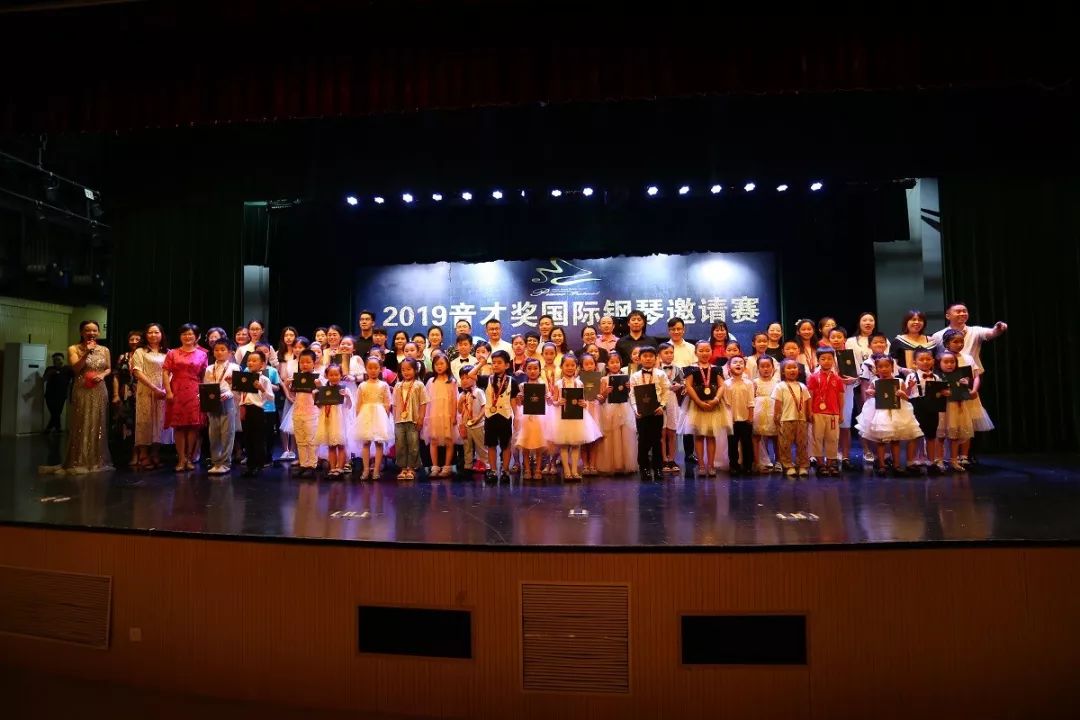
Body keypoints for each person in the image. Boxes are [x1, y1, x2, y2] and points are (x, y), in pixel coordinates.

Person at [856, 354, 924, 476]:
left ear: (892, 367)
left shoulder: (899, 381)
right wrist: (870, 392)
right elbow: (869, 396)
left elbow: (906, 398)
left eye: (887, 366)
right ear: (876, 369)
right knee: (881, 441)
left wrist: (903, 392)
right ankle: (882, 464)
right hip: (881, 413)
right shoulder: (875, 382)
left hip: (896, 413)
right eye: (880, 367)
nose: (884, 369)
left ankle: (896, 464)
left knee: (895, 440)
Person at [59, 320, 113, 473]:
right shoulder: (74, 348)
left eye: (94, 330)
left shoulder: (104, 349)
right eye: (88, 330)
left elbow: (108, 368)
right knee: (81, 422)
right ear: (82, 332)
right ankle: (79, 459)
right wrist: (86, 353)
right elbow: (76, 369)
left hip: (99, 389)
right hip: (82, 389)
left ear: (99, 332)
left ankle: (97, 459)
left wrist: (102, 375)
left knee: (98, 423)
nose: (91, 333)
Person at [549, 353, 602, 481]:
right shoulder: (558, 384)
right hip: (562, 416)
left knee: (576, 444)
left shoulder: (579, 383)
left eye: (572, 365)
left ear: (576, 367)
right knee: (563, 444)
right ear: (561, 367)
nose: (570, 368)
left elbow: (582, 400)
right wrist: (558, 402)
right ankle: (567, 470)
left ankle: (574, 470)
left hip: (577, 416)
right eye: (567, 365)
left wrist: (583, 403)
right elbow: (553, 401)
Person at [164, 323, 208, 472]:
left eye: (190, 334)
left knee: (193, 426)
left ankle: (189, 457)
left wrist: (203, 394)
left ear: (196, 336)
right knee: (179, 426)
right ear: (180, 336)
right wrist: (168, 391)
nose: (187, 336)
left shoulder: (202, 354)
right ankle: (181, 458)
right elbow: (165, 372)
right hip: (177, 390)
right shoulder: (172, 353)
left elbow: (204, 376)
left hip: (195, 391)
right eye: (184, 334)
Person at [680, 340, 727, 477]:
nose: (704, 353)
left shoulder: (717, 369)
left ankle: (711, 465)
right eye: (701, 350)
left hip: (713, 405)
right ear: (695, 352)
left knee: (711, 436)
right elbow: (688, 386)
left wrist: (716, 399)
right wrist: (698, 401)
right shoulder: (690, 369)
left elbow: (722, 385)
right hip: (696, 405)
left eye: (707, 350)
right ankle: (701, 465)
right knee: (699, 436)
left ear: (711, 351)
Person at [131, 323, 172, 470]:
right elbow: (137, 371)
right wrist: (154, 388)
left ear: (161, 334)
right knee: (145, 421)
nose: (153, 335)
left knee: (160, 421)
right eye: (150, 332)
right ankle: (143, 454)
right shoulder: (140, 351)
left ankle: (155, 453)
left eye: (156, 332)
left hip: (163, 390)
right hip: (146, 389)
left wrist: (165, 388)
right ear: (145, 335)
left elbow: (172, 372)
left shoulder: (168, 352)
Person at [628, 346, 670, 481]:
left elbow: (666, 391)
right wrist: (635, 409)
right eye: (645, 356)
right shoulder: (634, 376)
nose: (648, 359)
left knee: (657, 440)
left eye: (651, 356)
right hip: (641, 413)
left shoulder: (661, 374)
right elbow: (632, 394)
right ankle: (644, 468)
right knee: (643, 440)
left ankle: (658, 469)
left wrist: (662, 406)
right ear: (639, 359)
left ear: (656, 358)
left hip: (657, 411)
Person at [478, 350, 520, 483]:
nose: (495, 365)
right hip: (490, 417)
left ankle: (505, 470)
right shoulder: (487, 379)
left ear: (507, 365)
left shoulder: (512, 381)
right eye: (493, 362)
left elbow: (513, 400)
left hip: (505, 416)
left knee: (506, 445)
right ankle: (493, 470)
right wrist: (482, 363)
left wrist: (517, 416)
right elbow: (471, 375)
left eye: (499, 362)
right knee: (491, 445)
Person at [931, 302, 1008, 374]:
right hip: (948, 375)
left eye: (964, 311)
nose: (962, 314)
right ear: (948, 316)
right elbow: (933, 357)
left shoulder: (976, 330)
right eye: (958, 312)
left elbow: (992, 333)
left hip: (973, 374)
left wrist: (998, 329)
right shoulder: (938, 335)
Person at [908, 347, 949, 474]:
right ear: (915, 362)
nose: (925, 362)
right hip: (917, 407)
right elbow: (906, 395)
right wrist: (909, 387)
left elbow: (940, 393)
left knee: (931, 436)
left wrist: (944, 393)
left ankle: (931, 462)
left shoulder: (936, 377)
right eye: (921, 359)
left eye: (928, 359)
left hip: (932, 409)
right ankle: (911, 462)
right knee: (915, 435)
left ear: (933, 361)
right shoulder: (912, 376)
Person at [595, 352, 637, 474]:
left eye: (617, 362)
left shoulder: (626, 378)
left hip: (624, 408)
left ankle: (625, 463)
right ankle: (614, 464)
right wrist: (605, 392)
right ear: (607, 365)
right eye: (612, 362)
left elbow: (631, 396)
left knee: (626, 435)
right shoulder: (604, 379)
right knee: (612, 436)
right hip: (610, 410)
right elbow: (601, 399)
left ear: (621, 363)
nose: (615, 365)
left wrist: (629, 388)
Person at [352, 355, 393, 480]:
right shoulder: (362, 385)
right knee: (366, 443)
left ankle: (376, 470)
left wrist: (385, 417)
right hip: (366, 416)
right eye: (370, 368)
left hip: (379, 416)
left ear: (380, 369)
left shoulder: (383, 385)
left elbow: (387, 402)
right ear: (366, 369)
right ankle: (365, 469)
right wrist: (358, 417)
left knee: (379, 443)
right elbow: (358, 403)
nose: (373, 370)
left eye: (376, 368)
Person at [204, 339, 241, 475]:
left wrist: (229, 393)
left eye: (222, 350)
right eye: (216, 350)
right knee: (213, 433)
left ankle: (225, 462)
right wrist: (202, 395)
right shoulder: (209, 368)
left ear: (230, 352)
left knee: (227, 432)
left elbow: (237, 387)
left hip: (228, 401)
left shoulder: (234, 367)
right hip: (212, 401)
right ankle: (216, 462)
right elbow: (206, 385)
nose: (219, 352)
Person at [237, 350, 276, 477]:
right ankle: (250, 465)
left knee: (258, 438)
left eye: (254, 361)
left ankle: (258, 465)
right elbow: (240, 394)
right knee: (247, 438)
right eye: (249, 360)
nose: (250, 363)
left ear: (262, 364)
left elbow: (271, 397)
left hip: (257, 410)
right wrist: (231, 383)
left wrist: (261, 388)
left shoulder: (264, 379)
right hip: (245, 409)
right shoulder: (244, 377)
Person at [807, 348, 845, 476]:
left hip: (833, 413)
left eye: (829, 358)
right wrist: (810, 411)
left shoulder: (837, 379)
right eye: (823, 359)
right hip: (817, 412)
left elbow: (841, 397)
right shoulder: (813, 377)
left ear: (834, 360)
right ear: (818, 361)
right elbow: (810, 396)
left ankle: (830, 463)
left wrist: (841, 413)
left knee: (833, 439)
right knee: (817, 438)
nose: (826, 361)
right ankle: (820, 464)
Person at [826, 326, 860, 470]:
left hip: (846, 394)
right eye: (833, 337)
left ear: (844, 339)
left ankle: (845, 457)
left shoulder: (850, 355)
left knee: (845, 426)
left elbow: (858, 376)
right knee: (830, 427)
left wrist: (852, 380)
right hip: (828, 396)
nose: (836, 340)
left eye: (839, 337)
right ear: (829, 339)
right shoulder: (825, 355)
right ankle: (832, 456)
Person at [772, 359, 811, 478]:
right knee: (785, 444)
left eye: (794, 367)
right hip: (786, 419)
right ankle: (788, 465)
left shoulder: (802, 386)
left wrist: (808, 415)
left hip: (801, 419)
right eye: (788, 368)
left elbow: (807, 402)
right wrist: (777, 417)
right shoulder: (780, 386)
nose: (792, 370)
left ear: (798, 370)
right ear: (783, 372)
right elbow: (778, 404)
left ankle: (803, 465)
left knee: (802, 444)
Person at [393, 358, 428, 480]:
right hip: (399, 420)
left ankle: (412, 468)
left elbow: (423, 403)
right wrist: (394, 419)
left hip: (413, 419)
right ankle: (403, 468)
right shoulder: (398, 385)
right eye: (403, 370)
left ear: (415, 370)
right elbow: (394, 404)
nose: (406, 372)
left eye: (409, 369)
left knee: (413, 444)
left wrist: (421, 418)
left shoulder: (419, 385)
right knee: (400, 445)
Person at [287, 349, 320, 478]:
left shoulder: (317, 377)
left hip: (312, 413)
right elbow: (293, 394)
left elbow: (322, 396)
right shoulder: (297, 377)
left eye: (308, 362)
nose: (304, 365)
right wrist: (288, 385)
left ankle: (312, 465)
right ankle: (304, 464)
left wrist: (319, 386)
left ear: (314, 363)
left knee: (311, 440)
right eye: (302, 362)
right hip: (298, 411)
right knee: (300, 440)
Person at [108, 331, 140, 463]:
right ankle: (132, 454)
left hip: (143, 393)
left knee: (142, 425)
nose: (134, 341)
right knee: (128, 423)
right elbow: (116, 376)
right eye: (131, 339)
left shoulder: (147, 355)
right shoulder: (124, 357)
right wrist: (115, 394)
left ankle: (143, 454)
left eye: (137, 339)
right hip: (126, 394)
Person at [424, 353, 458, 477]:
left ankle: (447, 466)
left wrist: (454, 416)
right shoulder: (430, 381)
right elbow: (427, 400)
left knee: (449, 440)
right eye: (436, 364)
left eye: (442, 364)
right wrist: (426, 417)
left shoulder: (452, 382)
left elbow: (454, 400)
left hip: (447, 414)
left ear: (447, 365)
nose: (439, 366)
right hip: (434, 415)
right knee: (433, 440)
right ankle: (435, 466)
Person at [315, 362, 351, 478]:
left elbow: (349, 406)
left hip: (340, 420)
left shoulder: (344, 389)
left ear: (341, 375)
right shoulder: (324, 390)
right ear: (327, 376)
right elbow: (319, 406)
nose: (334, 377)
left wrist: (346, 396)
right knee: (331, 445)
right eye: (331, 375)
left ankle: (340, 467)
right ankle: (332, 468)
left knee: (341, 445)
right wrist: (315, 397)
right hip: (328, 419)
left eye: (336, 375)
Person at [515, 358, 548, 479]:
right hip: (525, 416)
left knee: (539, 443)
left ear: (539, 370)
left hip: (540, 417)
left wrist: (547, 398)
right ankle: (527, 469)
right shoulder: (522, 386)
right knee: (525, 442)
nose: (532, 371)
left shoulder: (543, 385)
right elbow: (519, 404)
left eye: (535, 368)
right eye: (529, 368)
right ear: (525, 370)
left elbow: (547, 401)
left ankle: (538, 468)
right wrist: (519, 398)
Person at [724, 355, 755, 476]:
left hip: (746, 418)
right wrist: (728, 418)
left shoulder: (748, 383)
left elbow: (751, 401)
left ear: (744, 367)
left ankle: (748, 465)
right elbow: (726, 403)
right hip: (732, 420)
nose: (738, 364)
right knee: (732, 444)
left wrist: (750, 417)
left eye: (741, 363)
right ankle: (734, 465)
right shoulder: (726, 384)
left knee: (747, 443)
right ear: (729, 367)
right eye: (735, 362)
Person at [657, 342, 684, 474]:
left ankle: (672, 459)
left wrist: (680, 386)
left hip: (673, 400)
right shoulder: (656, 370)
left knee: (672, 431)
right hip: (660, 401)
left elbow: (683, 384)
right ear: (659, 355)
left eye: (671, 352)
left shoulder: (678, 369)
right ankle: (663, 459)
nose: (669, 355)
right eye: (666, 353)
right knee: (662, 432)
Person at [752, 355, 780, 472]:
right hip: (758, 412)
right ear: (758, 368)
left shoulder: (777, 382)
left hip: (773, 411)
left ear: (773, 367)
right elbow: (751, 398)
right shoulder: (754, 382)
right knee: (756, 436)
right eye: (762, 366)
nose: (765, 369)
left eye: (768, 366)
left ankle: (778, 461)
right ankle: (757, 462)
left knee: (776, 436)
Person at [457, 366, 487, 473]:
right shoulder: (461, 394)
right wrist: (460, 402)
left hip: (478, 424)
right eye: (462, 378)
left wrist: (478, 418)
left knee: (481, 445)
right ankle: (468, 464)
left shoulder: (478, 392)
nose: (465, 380)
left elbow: (484, 406)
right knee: (467, 446)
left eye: (467, 377)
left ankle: (484, 464)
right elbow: (459, 411)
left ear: (474, 378)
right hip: (466, 425)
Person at [43, 352, 73, 434]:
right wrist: (50, 374)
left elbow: (75, 378)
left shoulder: (68, 369)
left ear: (63, 359)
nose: (57, 361)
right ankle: (58, 428)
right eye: (55, 360)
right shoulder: (49, 369)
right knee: (54, 413)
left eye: (58, 359)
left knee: (57, 412)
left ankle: (49, 429)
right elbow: (44, 379)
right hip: (49, 395)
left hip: (61, 395)